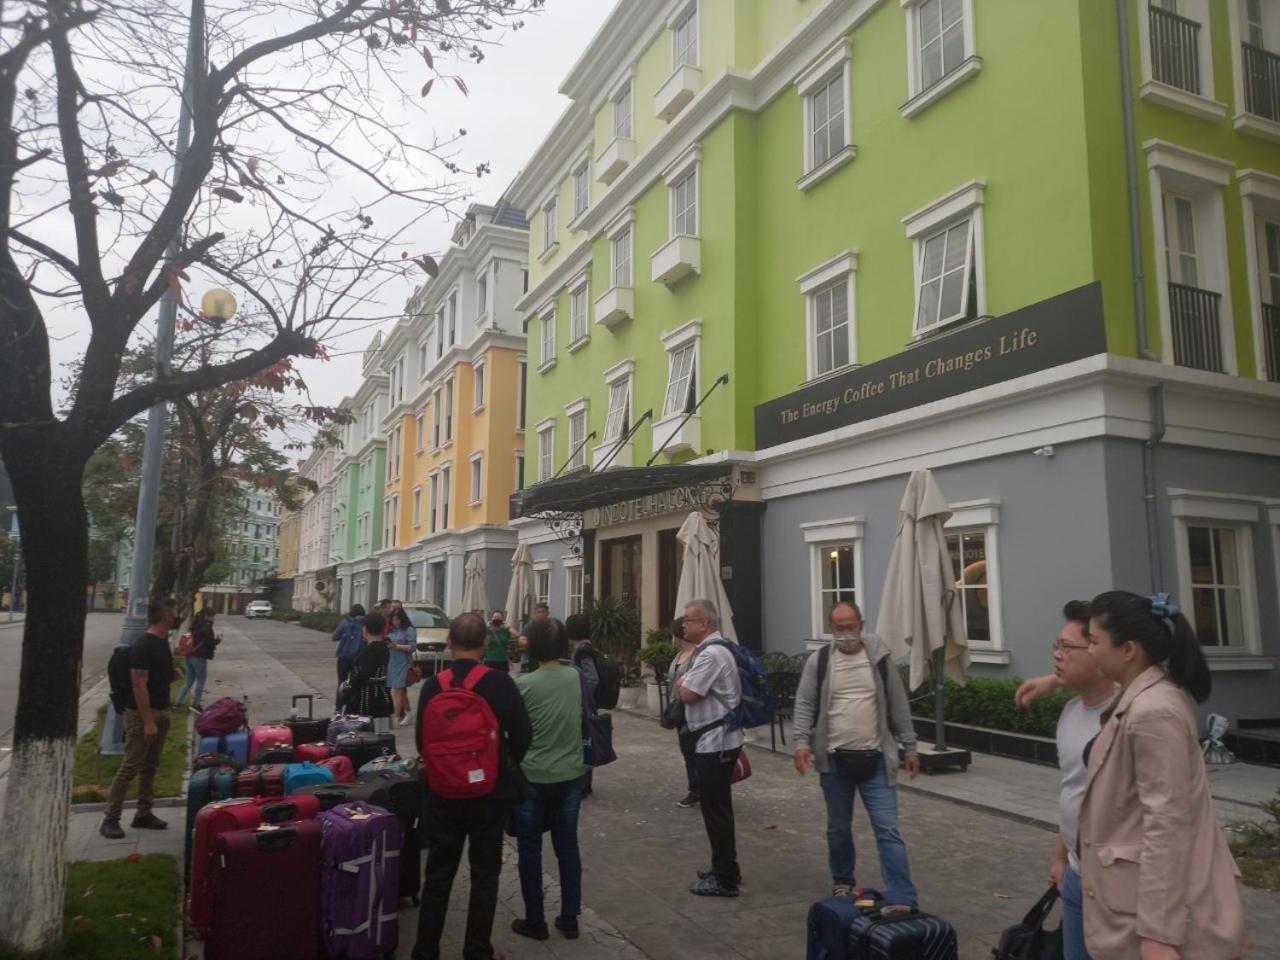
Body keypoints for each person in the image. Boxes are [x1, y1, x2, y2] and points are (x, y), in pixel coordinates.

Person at [1078, 591, 1244, 960]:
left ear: (1128, 650)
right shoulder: (1142, 693)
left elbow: (1167, 823)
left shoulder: (1153, 712)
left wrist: (1158, 933)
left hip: (1150, 922)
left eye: (1094, 642)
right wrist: (1052, 681)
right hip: (1127, 902)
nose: (1088, 651)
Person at [412, 613, 532, 960]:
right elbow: (523, 735)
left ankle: (425, 951)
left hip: (443, 792)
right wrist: (500, 762)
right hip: (488, 793)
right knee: (484, 874)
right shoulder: (500, 683)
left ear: (449, 642)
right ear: (485, 643)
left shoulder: (434, 686)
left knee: (438, 874)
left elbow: (422, 741)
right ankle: (477, 950)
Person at [792, 601, 920, 905]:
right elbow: (805, 703)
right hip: (834, 761)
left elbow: (898, 704)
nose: (846, 633)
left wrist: (910, 746)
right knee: (838, 828)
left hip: (876, 760)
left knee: (888, 830)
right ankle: (843, 881)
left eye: (850, 627)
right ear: (830, 628)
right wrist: (801, 743)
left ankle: (903, 895)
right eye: (839, 628)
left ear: (861, 625)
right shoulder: (820, 661)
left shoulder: (879, 659)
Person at [1044, 600, 1117, 960]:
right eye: (1056, 645)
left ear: (1098, 651)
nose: (1057, 655)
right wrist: (1061, 857)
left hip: (1116, 881)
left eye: (1067, 647)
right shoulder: (1071, 712)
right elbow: (1073, 789)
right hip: (1076, 873)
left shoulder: (1127, 715)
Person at [511, 618, 587, 941]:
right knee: (567, 846)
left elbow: (513, 731)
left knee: (529, 848)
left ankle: (535, 920)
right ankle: (570, 917)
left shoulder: (523, 684)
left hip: (532, 775)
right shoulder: (575, 676)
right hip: (570, 774)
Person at [675, 598, 743, 897]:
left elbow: (687, 693)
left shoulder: (712, 654)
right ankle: (725, 867)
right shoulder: (712, 650)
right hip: (716, 740)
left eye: (688, 620)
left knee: (716, 811)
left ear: (704, 624)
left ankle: (725, 879)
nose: (683, 625)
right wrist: (684, 683)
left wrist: (683, 683)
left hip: (715, 743)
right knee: (718, 808)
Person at [100, 597, 180, 839]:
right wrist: (148, 721)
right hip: (142, 714)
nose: (176, 616)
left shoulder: (162, 642)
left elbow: (157, 676)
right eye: (174, 612)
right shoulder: (144, 645)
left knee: (150, 766)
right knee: (130, 767)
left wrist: (172, 674)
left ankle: (143, 813)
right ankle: (110, 818)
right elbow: (138, 685)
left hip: (162, 710)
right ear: (166, 615)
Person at [666, 616, 701, 808]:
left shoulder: (698, 655)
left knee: (695, 750)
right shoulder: (679, 655)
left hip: (692, 709)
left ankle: (698, 789)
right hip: (678, 709)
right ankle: (694, 787)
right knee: (687, 750)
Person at [344, 611, 394, 727]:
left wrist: (346, 686)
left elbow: (363, 675)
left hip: (367, 698)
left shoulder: (370, 651)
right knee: (380, 731)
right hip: (381, 695)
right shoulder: (384, 647)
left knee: (364, 732)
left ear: (365, 629)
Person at [566, 613, 597, 797]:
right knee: (586, 740)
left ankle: (584, 784)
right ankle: (585, 783)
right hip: (586, 703)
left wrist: (580, 696)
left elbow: (592, 679)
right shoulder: (585, 648)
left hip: (584, 704)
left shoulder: (582, 651)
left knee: (584, 741)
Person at [175, 606, 220, 711]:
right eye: (213, 616)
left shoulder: (195, 625)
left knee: (188, 681)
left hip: (190, 655)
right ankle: (196, 704)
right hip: (199, 658)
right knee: (200, 681)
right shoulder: (206, 628)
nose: (214, 618)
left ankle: (178, 701)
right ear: (207, 616)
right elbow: (210, 643)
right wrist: (218, 640)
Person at [386, 606, 417, 727]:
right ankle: (408, 714)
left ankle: (395, 718)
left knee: (397, 692)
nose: (395, 622)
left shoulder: (409, 630)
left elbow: (413, 647)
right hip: (392, 663)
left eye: (397, 619)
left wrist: (397, 646)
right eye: (393, 620)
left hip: (404, 663)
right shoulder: (391, 630)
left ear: (402, 619)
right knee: (402, 692)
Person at [332, 604, 366, 685]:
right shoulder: (366, 623)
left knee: (342, 682)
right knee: (357, 682)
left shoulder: (345, 622)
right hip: (360, 657)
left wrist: (344, 636)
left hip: (344, 656)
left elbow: (334, 637)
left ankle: (341, 693)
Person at [517, 602, 550, 673]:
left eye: (543, 612)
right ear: (535, 613)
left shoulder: (552, 625)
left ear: (547, 613)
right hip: (532, 658)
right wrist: (535, 642)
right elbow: (521, 641)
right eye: (539, 612)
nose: (541, 614)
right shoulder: (530, 626)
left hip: (548, 658)